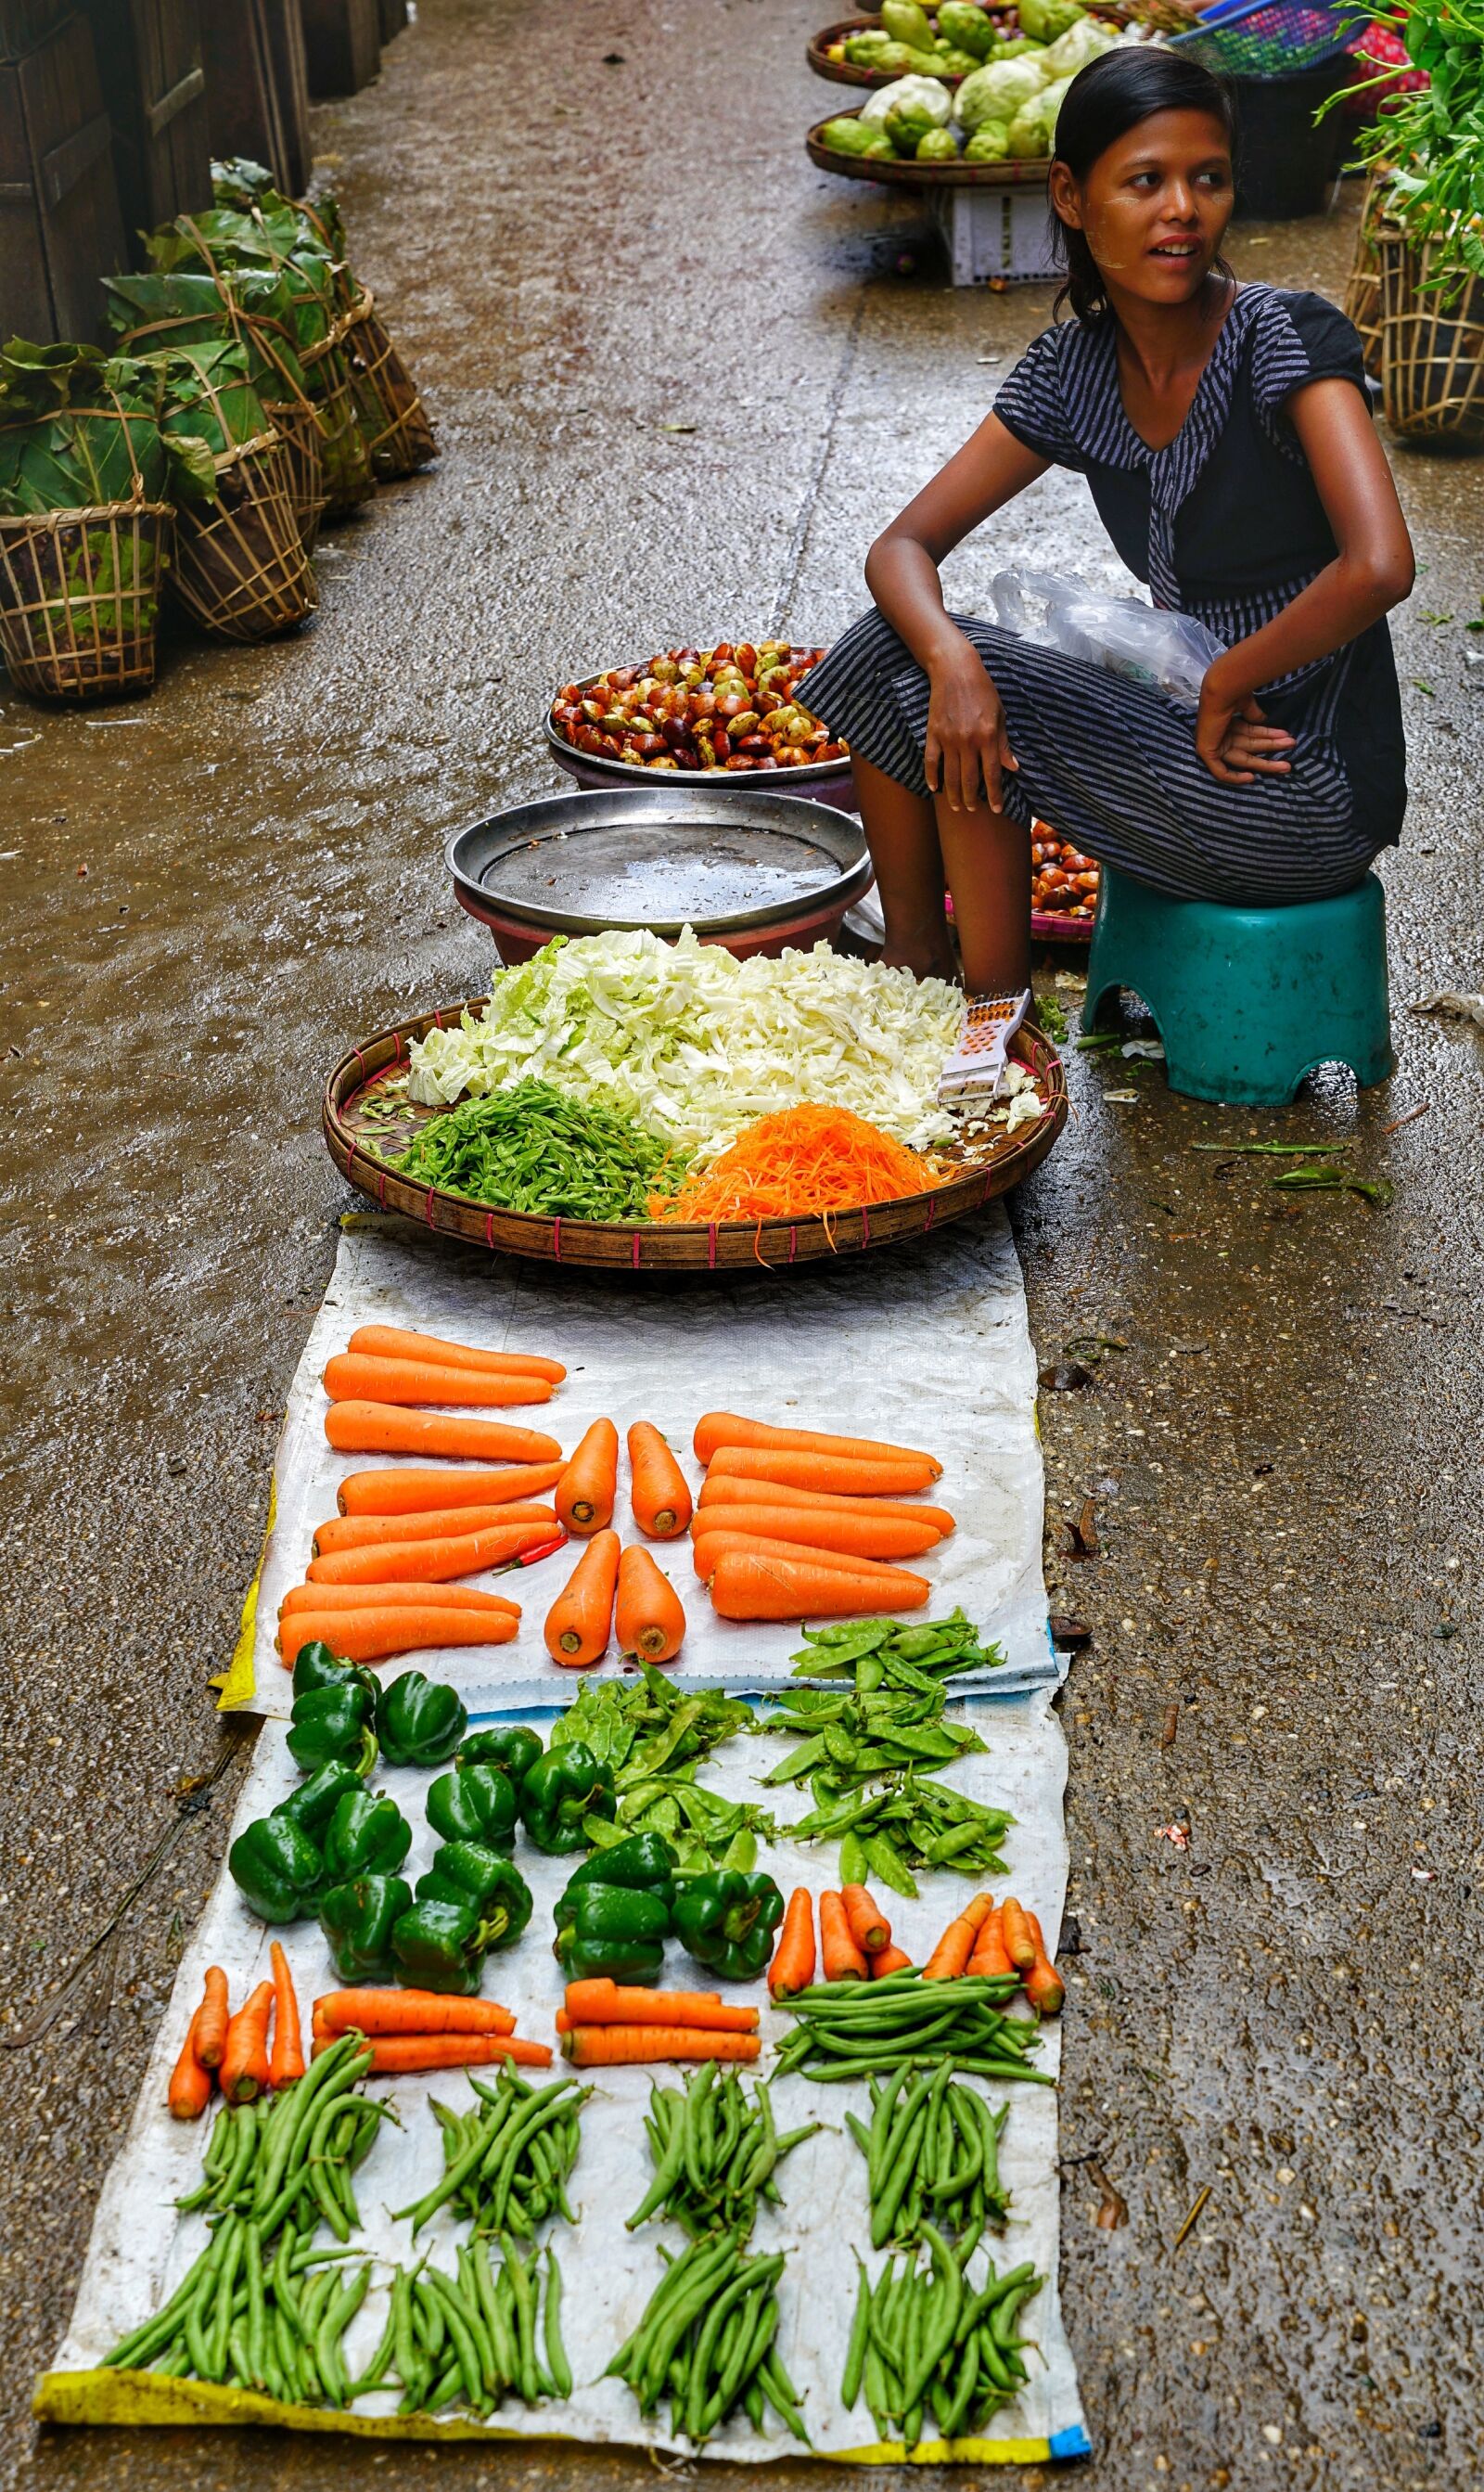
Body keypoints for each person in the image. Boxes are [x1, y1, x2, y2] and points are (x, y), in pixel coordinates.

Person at [800, 46, 1415, 1021]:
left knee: (956, 674)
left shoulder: (1282, 338)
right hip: (1189, 754)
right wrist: (954, 662)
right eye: (1144, 181)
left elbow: (1380, 565)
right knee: (910, 651)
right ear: (1072, 197)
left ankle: (991, 1016)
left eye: (1206, 179)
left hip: (1305, 791)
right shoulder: (1074, 371)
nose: (1182, 209)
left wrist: (1227, 676)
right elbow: (899, 548)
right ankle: (918, 958)